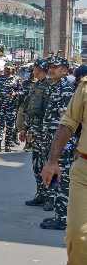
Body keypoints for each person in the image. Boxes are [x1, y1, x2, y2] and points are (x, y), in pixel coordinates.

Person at [40, 62, 87, 265]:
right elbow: (69, 122)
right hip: (84, 168)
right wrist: (52, 160)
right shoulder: (85, 87)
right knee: (77, 234)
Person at [38, 56, 76, 230]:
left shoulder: (66, 89)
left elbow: (66, 122)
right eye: (50, 66)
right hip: (52, 139)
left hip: (62, 143)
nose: (51, 69)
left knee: (62, 180)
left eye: (56, 67)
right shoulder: (54, 87)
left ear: (65, 70)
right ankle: (58, 214)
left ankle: (63, 218)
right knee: (55, 178)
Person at [23, 60, 53, 208]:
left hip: (44, 132)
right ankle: (40, 194)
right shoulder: (36, 85)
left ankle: (50, 197)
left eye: (34, 68)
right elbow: (29, 108)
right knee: (37, 165)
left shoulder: (49, 86)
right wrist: (25, 128)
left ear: (40, 69)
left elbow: (49, 112)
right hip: (35, 131)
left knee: (47, 164)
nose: (33, 71)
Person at [0, 62, 22, 152]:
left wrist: (15, 93)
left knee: (10, 126)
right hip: (1, 106)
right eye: (6, 68)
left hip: (11, 106)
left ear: (12, 69)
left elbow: (22, 92)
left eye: (9, 68)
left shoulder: (16, 79)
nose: (7, 70)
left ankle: (8, 144)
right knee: (0, 125)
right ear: (4, 69)